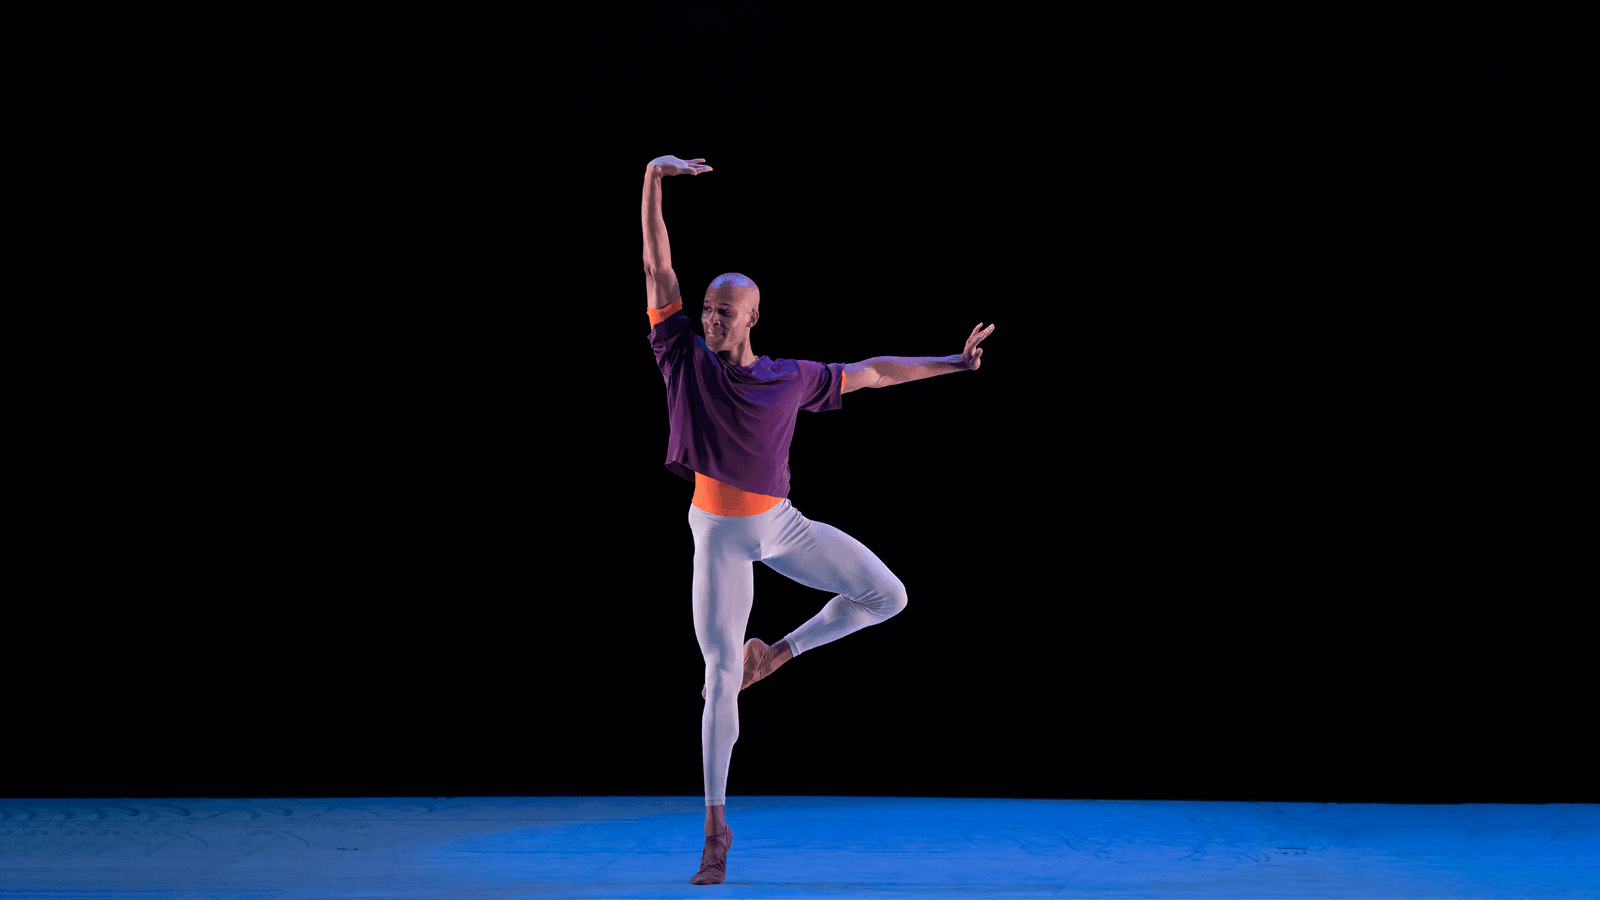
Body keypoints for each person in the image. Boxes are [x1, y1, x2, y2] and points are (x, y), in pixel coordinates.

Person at [640, 154, 995, 885]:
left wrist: (953, 366)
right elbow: (656, 268)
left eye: (724, 311)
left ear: (753, 318)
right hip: (717, 535)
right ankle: (715, 830)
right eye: (707, 307)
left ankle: (780, 655)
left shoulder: (789, 377)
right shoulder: (681, 354)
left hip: (781, 524)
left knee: (888, 596)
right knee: (715, 677)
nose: (710, 319)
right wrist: (651, 178)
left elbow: (872, 372)